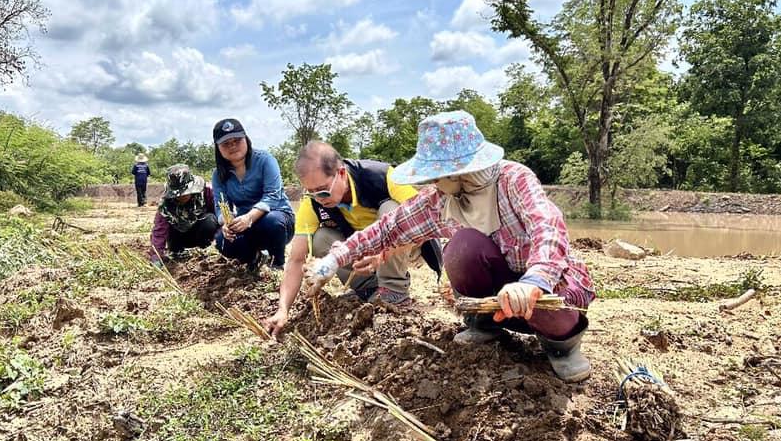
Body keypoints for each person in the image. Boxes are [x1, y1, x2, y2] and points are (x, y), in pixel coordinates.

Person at [302, 111, 596, 382]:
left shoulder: (513, 179)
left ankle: (562, 347)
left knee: (551, 303)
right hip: (496, 304)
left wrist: (534, 281)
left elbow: (547, 227)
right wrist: (332, 261)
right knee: (461, 246)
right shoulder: (440, 200)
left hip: (541, 292)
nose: (432, 183)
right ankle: (485, 325)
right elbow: (386, 229)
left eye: (436, 176)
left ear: (457, 173)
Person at [262, 141, 444, 338]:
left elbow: (423, 219)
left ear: (341, 173)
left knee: (390, 210)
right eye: (311, 193)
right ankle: (369, 288)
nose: (319, 199)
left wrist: (384, 251)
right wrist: (283, 309)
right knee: (321, 238)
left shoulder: (382, 177)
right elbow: (296, 259)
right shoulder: (313, 203)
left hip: (407, 244)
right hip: (359, 248)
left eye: (323, 190)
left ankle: (394, 292)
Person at [211, 118, 295, 274]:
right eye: (226, 143)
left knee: (272, 221)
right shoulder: (218, 175)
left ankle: (277, 263)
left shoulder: (265, 160)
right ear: (218, 148)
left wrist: (249, 217)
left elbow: (272, 195)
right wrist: (227, 223)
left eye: (237, 140)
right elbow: (220, 205)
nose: (232, 146)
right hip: (245, 224)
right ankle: (254, 258)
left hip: (278, 220)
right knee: (223, 241)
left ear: (246, 139)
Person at [149, 164, 218, 265]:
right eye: (178, 195)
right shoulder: (165, 205)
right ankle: (177, 252)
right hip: (179, 237)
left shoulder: (206, 192)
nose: (182, 197)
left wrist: (220, 240)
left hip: (200, 233)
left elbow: (219, 213)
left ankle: (204, 249)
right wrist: (156, 257)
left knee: (210, 220)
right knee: (170, 230)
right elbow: (159, 231)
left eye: (185, 193)